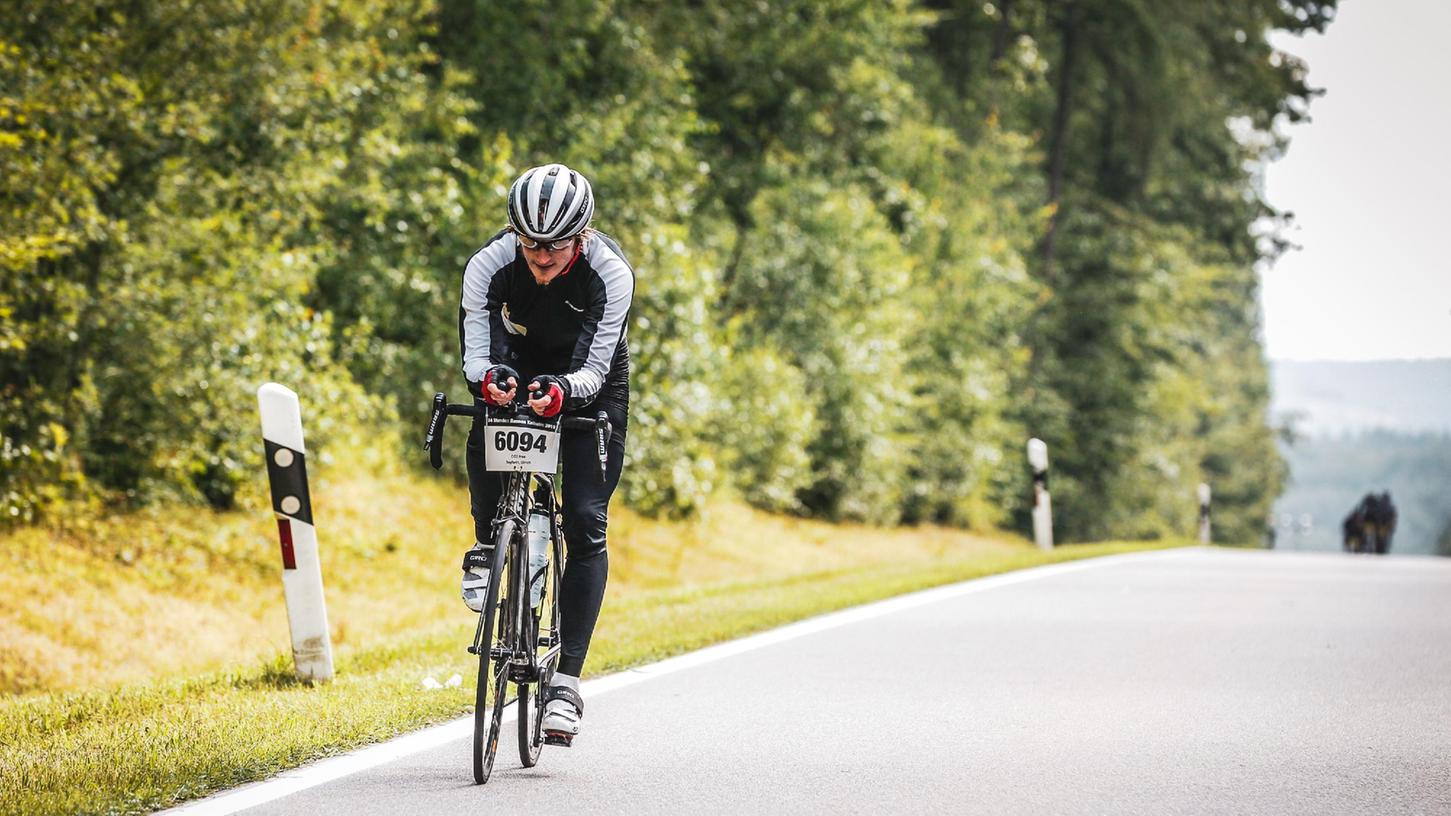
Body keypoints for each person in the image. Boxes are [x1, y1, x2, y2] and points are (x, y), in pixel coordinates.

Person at [457, 163, 633, 745]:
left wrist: (563, 392)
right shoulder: (488, 264)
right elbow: (475, 355)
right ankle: (489, 542)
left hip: (591, 382)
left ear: (581, 238)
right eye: (529, 243)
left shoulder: (609, 273)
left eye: (554, 247)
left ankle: (566, 685)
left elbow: (593, 367)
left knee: (586, 521)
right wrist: (491, 382)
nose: (539, 256)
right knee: (486, 425)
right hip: (518, 366)